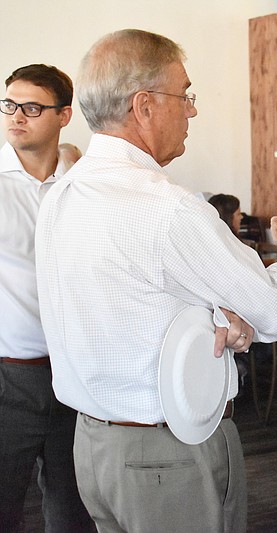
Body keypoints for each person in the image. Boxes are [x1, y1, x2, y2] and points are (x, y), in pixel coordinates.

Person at [34, 29, 277, 533]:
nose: (191, 110)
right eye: (184, 95)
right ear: (143, 106)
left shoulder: (61, 195)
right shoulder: (167, 209)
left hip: (91, 446)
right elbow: (276, 313)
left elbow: (129, 300)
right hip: (165, 456)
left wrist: (220, 316)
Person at [0, 64, 93, 533]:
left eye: (32, 107)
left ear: (63, 115)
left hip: (74, 373)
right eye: (9, 105)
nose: (16, 116)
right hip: (8, 375)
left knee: (74, 507)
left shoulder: (85, 187)